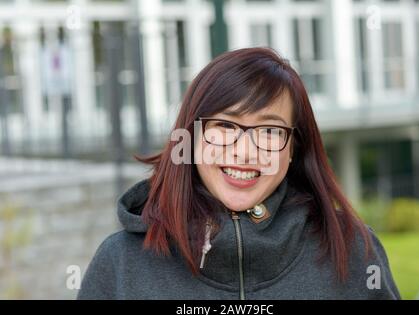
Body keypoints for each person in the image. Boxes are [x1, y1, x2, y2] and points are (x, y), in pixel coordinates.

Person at [77, 47, 400, 300]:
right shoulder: (121, 263)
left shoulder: (352, 248)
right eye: (225, 126)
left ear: (292, 149)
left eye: (269, 130)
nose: (245, 152)